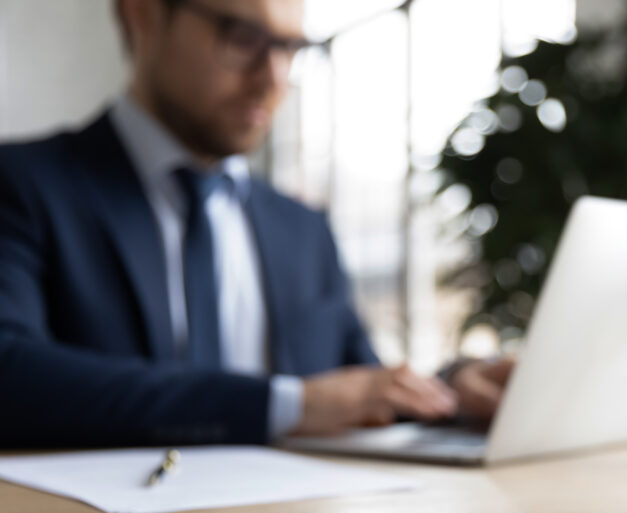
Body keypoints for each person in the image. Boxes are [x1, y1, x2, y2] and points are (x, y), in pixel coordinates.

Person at [0, 0, 512, 448]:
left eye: (290, 48)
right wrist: (283, 405)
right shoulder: (23, 185)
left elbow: (361, 388)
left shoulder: (302, 228)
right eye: (243, 36)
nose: (273, 79)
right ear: (143, 15)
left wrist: (457, 387)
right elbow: (11, 374)